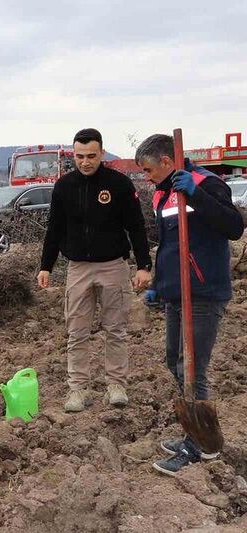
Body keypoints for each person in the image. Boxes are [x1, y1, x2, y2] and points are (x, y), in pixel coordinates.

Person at [134, 134, 244, 476]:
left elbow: (234, 227)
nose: (146, 176)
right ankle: (193, 433)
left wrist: (196, 195)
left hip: (204, 292)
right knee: (175, 361)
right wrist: (160, 288)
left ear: (168, 161)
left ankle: (201, 446)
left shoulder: (205, 184)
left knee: (192, 368)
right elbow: (170, 246)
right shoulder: (163, 193)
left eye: (149, 169)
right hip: (176, 294)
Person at [37, 128, 151, 413]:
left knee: (115, 329)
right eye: (79, 156)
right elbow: (55, 229)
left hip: (114, 266)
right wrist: (46, 266)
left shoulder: (119, 184)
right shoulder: (64, 187)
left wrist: (143, 265)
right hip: (78, 268)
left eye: (91, 156)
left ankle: (116, 385)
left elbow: (136, 226)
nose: (85, 162)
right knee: (76, 331)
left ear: (102, 153)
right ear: (72, 155)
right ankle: (78, 389)